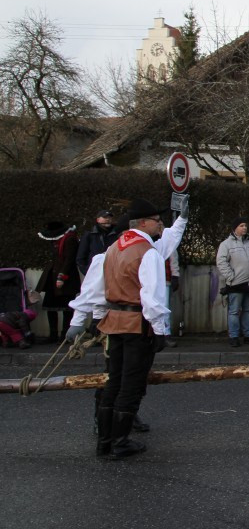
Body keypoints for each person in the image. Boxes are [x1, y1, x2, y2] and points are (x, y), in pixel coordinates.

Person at [66, 197, 188, 459]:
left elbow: (94, 292)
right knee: (130, 386)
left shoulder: (111, 250)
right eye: (157, 221)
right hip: (136, 326)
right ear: (143, 223)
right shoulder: (147, 252)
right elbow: (152, 298)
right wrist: (159, 331)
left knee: (114, 382)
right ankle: (120, 442)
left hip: (114, 324)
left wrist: (78, 321)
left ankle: (104, 442)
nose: (160, 225)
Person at [215, 218, 249, 348]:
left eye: (246, 225)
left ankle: (248, 335)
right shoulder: (226, 244)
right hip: (236, 283)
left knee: (248, 310)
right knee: (234, 311)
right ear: (235, 228)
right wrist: (231, 276)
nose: (244, 228)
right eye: (241, 225)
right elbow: (221, 261)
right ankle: (234, 336)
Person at [36, 220, 80, 343]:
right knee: (50, 306)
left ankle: (64, 335)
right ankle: (53, 334)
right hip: (52, 276)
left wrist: (62, 276)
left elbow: (69, 259)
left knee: (67, 307)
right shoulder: (56, 240)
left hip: (66, 278)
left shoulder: (70, 239)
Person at [76, 209, 120, 277]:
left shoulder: (117, 234)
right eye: (105, 217)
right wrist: (87, 272)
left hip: (113, 273)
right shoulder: (89, 235)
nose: (108, 219)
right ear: (98, 220)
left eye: (109, 217)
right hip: (94, 273)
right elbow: (81, 256)